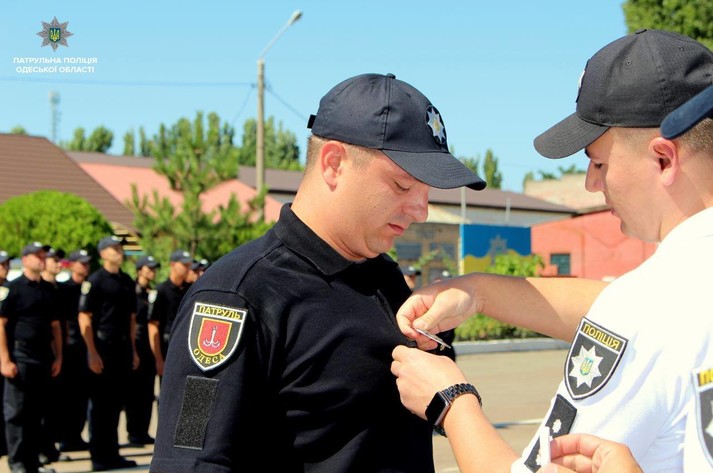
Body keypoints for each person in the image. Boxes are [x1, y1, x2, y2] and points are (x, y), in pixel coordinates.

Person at [390, 29, 713, 473]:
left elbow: (641, 315)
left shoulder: (646, 307)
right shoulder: (674, 297)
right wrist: (479, 292)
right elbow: (638, 312)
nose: (592, 183)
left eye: (598, 162)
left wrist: (451, 402)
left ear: (664, 159)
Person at [149, 72, 486, 472]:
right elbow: (188, 460)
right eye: (402, 185)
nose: (421, 211)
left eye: (427, 192)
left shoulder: (385, 279)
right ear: (334, 164)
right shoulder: (234, 298)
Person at [0, 242, 62, 473]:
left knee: (38, 412)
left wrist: (58, 357)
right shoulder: (13, 288)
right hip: (20, 355)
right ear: (25, 260)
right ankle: (17, 462)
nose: (41, 259)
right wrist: (5, 359)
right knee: (17, 412)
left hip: (43, 356)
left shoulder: (48, 289)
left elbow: (55, 326)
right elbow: (1, 324)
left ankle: (34, 462)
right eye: (37, 256)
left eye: (43, 255)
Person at [78, 236, 138, 471]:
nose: (118, 252)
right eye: (113, 249)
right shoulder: (95, 281)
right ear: (103, 254)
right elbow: (85, 317)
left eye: (119, 248)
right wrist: (92, 352)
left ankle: (112, 453)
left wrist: (133, 350)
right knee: (100, 405)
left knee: (115, 403)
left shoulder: (126, 281)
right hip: (102, 347)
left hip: (122, 348)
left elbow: (132, 319)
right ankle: (99, 456)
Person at [56, 250, 92, 453]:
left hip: (84, 348)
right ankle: (65, 437)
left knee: (81, 397)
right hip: (69, 348)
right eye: (81, 263)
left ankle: (76, 436)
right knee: (67, 398)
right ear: (72, 265)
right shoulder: (64, 289)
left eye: (87, 263)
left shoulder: (89, 288)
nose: (85, 266)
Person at [124, 255, 160, 447]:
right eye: (149, 268)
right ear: (139, 270)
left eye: (154, 268)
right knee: (134, 393)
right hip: (136, 344)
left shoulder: (151, 293)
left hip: (149, 346)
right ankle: (133, 432)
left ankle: (143, 431)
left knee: (147, 392)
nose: (152, 271)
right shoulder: (131, 291)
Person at [147, 249, 192, 379]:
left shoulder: (190, 289)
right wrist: (158, 358)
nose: (187, 268)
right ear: (172, 264)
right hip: (167, 347)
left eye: (188, 265)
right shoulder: (161, 291)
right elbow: (153, 325)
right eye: (184, 265)